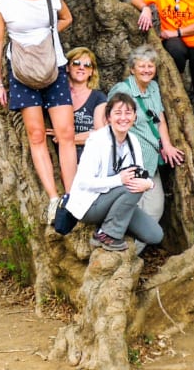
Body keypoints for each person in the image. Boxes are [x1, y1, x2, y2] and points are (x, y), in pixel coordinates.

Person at [0, 0, 77, 222]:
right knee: (37, 135)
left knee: (65, 133)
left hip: (54, 68)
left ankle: (73, 196)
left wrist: (46, 36)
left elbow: (68, 18)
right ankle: (53, 198)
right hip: (22, 74)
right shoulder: (3, 2)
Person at [64, 92, 164, 252]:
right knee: (131, 186)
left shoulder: (133, 140)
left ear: (134, 117)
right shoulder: (97, 140)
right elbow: (83, 181)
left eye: (128, 113)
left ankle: (114, 223)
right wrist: (119, 180)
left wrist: (149, 183)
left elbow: (140, 173)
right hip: (90, 205)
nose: (123, 118)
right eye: (118, 113)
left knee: (154, 235)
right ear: (108, 117)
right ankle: (107, 235)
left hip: (118, 201)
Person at [107, 45, 185, 223]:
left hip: (150, 162)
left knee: (154, 210)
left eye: (150, 66)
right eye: (141, 66)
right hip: (129, 163)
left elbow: (159, 119)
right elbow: (108, 120)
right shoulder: (123, 90)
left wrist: (166, 145)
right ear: (132, 69)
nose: (146, 70)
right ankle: (119, 247)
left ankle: (134, 249)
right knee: (129, 210)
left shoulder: (153, 87)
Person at [64, 46, 107, 160]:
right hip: (60, 158)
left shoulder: (98, 97)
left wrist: (67, 139)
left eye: (87, 65)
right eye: (76, 63)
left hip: (89, 159)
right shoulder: (59, 96)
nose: (81, 67)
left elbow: (100, 133)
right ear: (68, 67)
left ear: (91, 71)